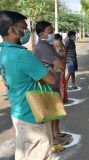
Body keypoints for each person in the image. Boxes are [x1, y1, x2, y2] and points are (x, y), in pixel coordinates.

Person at [0, 10, 56, 159]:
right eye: (24, 28)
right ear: (12, 29)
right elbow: (51, 79)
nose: (27, 32)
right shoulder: (22, 55)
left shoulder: (3, 52)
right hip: (33, 114)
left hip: (19, 112)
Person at [35, 21, 68, 148]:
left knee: (56, 110)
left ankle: (56, 133)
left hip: (54, 82)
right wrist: (62, 59)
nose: (52, 32)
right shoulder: (43, 47)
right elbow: (61, 64)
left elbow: (60, 62)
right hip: (49, 83)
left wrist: (61, 58)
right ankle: (52, 138)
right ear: (41, 33)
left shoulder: (48, 45)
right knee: (52, 111)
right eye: (49, 30)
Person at [52, 34, 68, 102]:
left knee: (56, 81)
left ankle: (57, 97)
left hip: (54, 64)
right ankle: (62, 97)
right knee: (61, 80)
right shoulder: (59, 42)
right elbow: (63, 54)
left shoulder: (51, 43)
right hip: (60, 64)